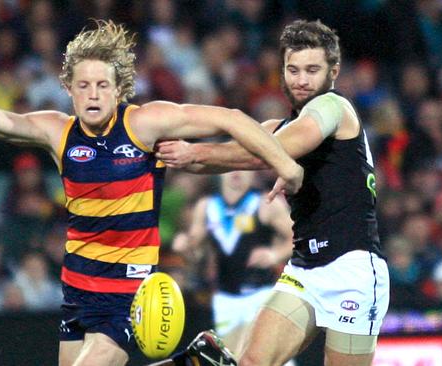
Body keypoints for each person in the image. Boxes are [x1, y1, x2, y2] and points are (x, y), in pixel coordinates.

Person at [0, 20, 302, 366]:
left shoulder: (144, 123)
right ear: (67, 88)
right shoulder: (57, 132)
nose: (92, 93)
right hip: (77, 289)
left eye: (102, 84)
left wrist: (285, 165)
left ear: (119, 88)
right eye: (83, 85)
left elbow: (232, 118)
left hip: (128, 291)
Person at [154, 19, 390, 366]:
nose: (301, 80)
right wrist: (165, 152)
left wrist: (195, 152)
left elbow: (272, 149)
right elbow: (227, 158)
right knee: (250, 362)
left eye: (312, 70)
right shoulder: (274, 128)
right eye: (293, 70)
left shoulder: (333, 108)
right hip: (305, 270)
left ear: (333, 72)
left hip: (353, 270)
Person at [172, 170, 293, 355]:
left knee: (263, 356)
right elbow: (196, 252)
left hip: (261, 295)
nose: (236, 171)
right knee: (234, 358)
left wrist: (274, 254)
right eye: (229, 166)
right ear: (219, 171)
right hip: (224, 299)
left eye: (243, 166)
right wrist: (185, 246)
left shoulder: (265, 203)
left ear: (254, 173)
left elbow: (297, 237)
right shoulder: (207, 207)